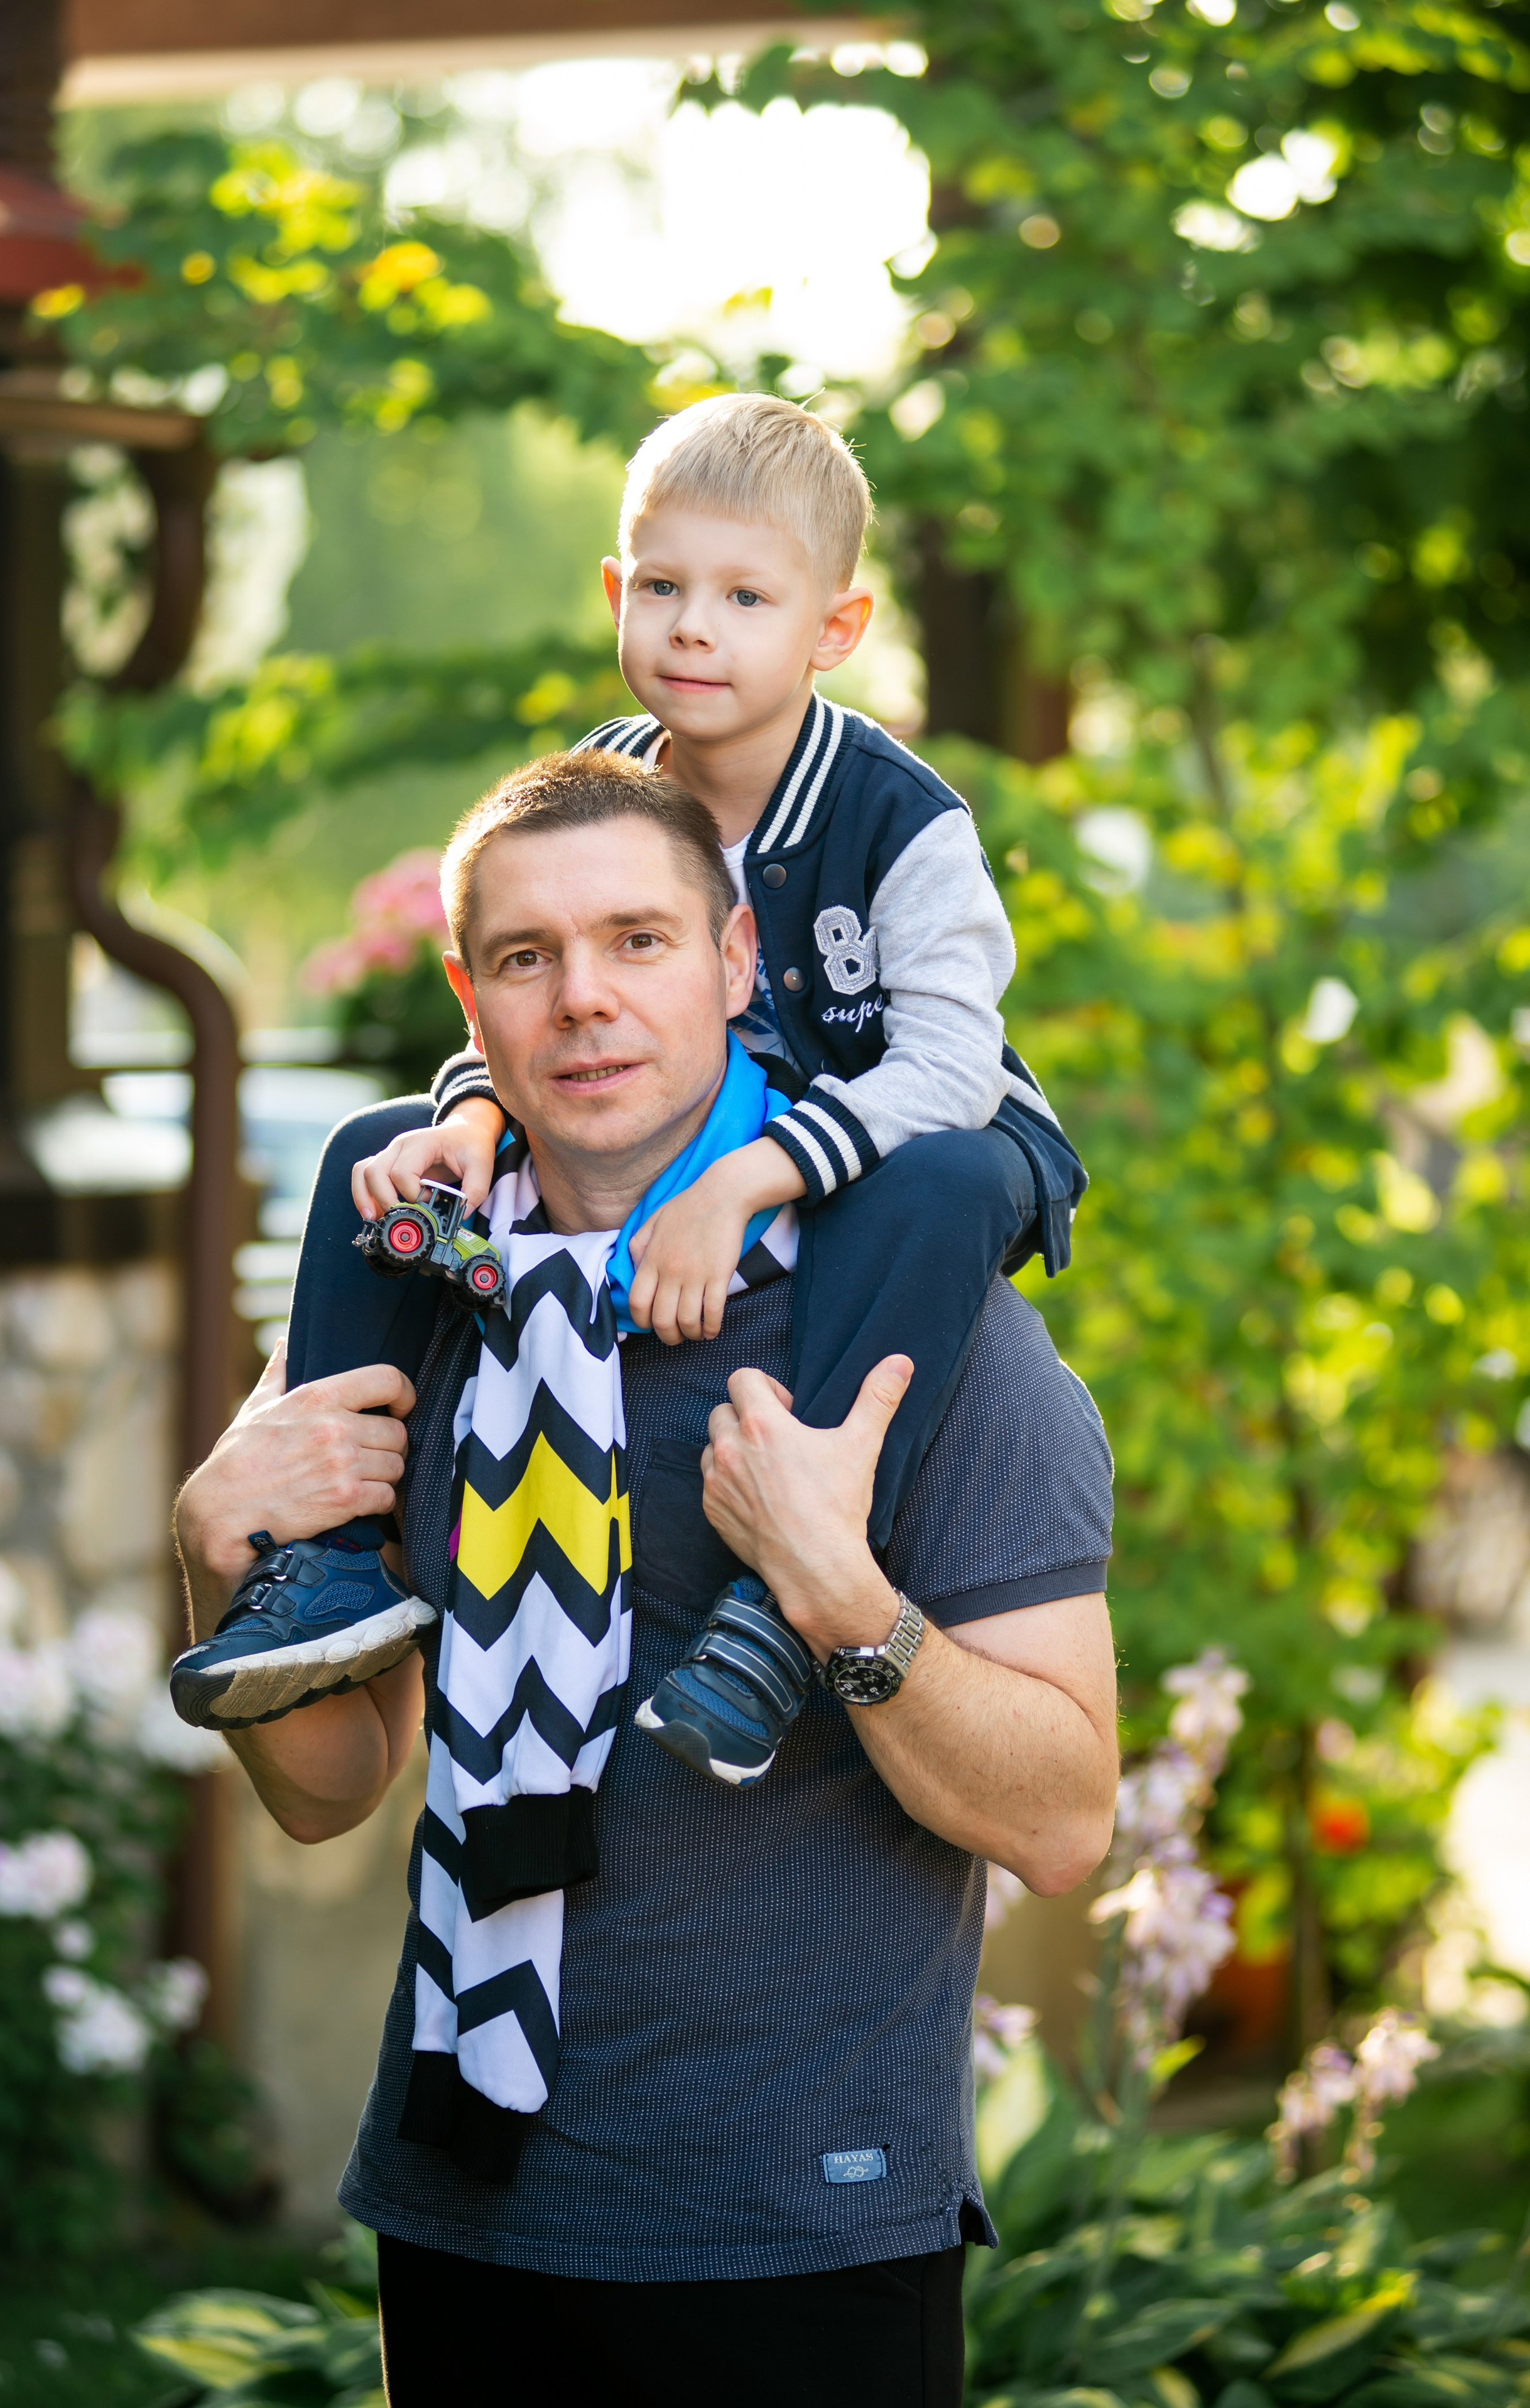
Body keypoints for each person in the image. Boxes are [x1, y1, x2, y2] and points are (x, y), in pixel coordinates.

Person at [173, 765, 1119, 2408]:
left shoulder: (935, 1340)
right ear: (469, 997)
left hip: (800, 2218)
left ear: (740, 958)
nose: (587, 995)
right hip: (464, 2190)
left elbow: (1061, 1819)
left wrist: (841, 1597)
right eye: (528, 955)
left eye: (638, 936)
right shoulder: (420, 1298)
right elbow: (330, 1790)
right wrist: (213, 1564)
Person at [170, 393, 1088, 1770]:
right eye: (660, 587)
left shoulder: (901, 821)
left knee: (944, 1182)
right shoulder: (603, 785)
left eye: (741, 596)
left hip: (926, 1135)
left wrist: (746, 1179)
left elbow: (950, 1065)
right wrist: (471, 1117)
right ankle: (332, 1559)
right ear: (615, 590)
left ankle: (788, 1600)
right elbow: (526, 984)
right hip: (733, 1132)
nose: (692, 628)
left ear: (834, 631)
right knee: (380, 1143)